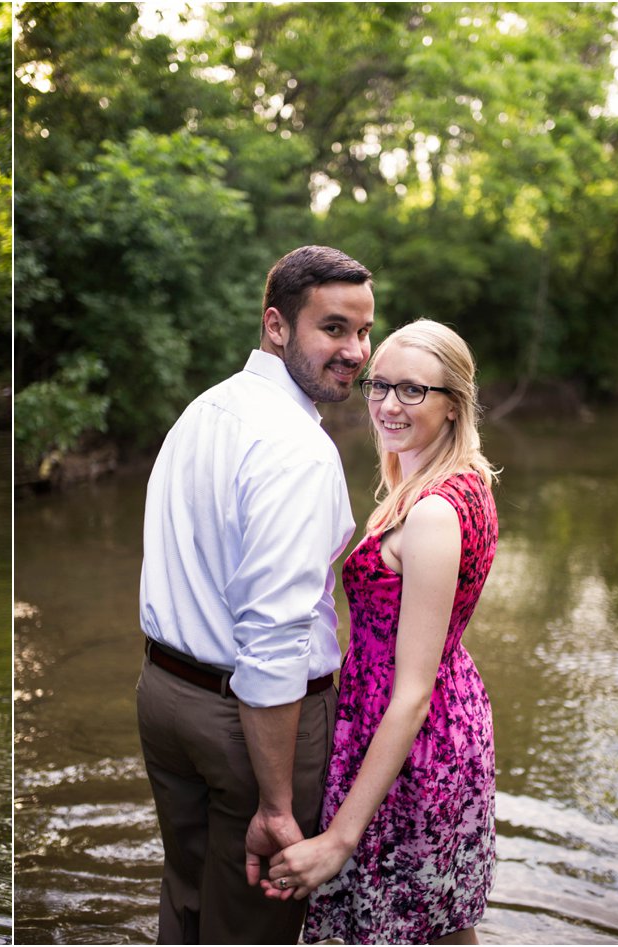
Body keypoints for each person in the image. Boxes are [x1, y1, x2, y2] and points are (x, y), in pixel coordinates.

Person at [136, 245, 375, 943]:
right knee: (254, 923)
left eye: (363, 330)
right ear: (276, 325)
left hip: (164, 694)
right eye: (333, 328)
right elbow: (273, 633)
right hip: (252, 724)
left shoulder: (208, 408)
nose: (356, 350)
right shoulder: (295, 448)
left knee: (186, 897)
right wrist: (276, 800)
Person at [262, 320, 500, 944]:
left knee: (394, 923)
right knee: (436, 925)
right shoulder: (461, 479)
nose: (389, 405)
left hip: (412, 744)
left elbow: (413, 690)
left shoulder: (434, 514)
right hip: (442, 720)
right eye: (380, 385)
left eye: (414, 391)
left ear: (453, 405)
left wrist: (339, 841)